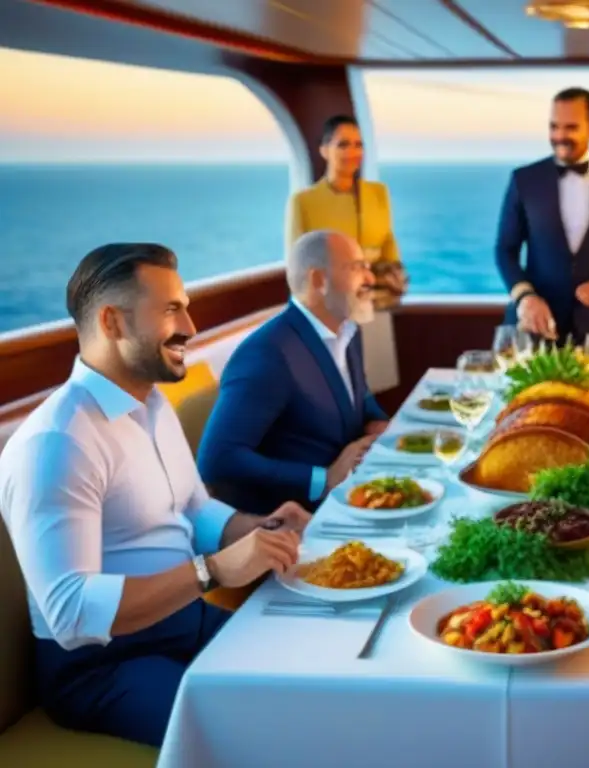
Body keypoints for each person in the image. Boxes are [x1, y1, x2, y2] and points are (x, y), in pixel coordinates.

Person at [0, 243, 309, 747]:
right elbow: (71, 613)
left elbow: (192, 508)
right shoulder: (56, 443)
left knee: (316, 670)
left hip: (183, 621)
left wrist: (254, 529)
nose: (191, 324)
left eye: (185, 305)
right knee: (261, 730)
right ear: (112, 322)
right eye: (171, 309)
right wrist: (214, 570)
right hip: (102, 666)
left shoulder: (154, 404)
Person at [198, 230, 389, 516]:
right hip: (298, 517)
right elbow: (217, 460)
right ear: (318, 280)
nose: (370, 279)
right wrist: (323, 479)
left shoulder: (348, 330)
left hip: (353, 494)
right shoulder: (268, 354)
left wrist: (376, 421)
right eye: (357, 267)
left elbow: (357, 394)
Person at [495, 87, 589, 344]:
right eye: (554, 126)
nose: (559, 136)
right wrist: (525, 296)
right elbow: (505, 249)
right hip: (533, 324)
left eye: (570, 127)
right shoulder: (524, 180)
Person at [286, 114, 403, 392]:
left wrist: (392, 282)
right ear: (324, 150)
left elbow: (388, 242)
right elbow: (297, 261)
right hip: (330, 303)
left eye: (358, 145)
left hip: (373, 295)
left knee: (378, 380)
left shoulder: (378, 193)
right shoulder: (304, 201)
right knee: (340, 382)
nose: (353, 153)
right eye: (343, 145)